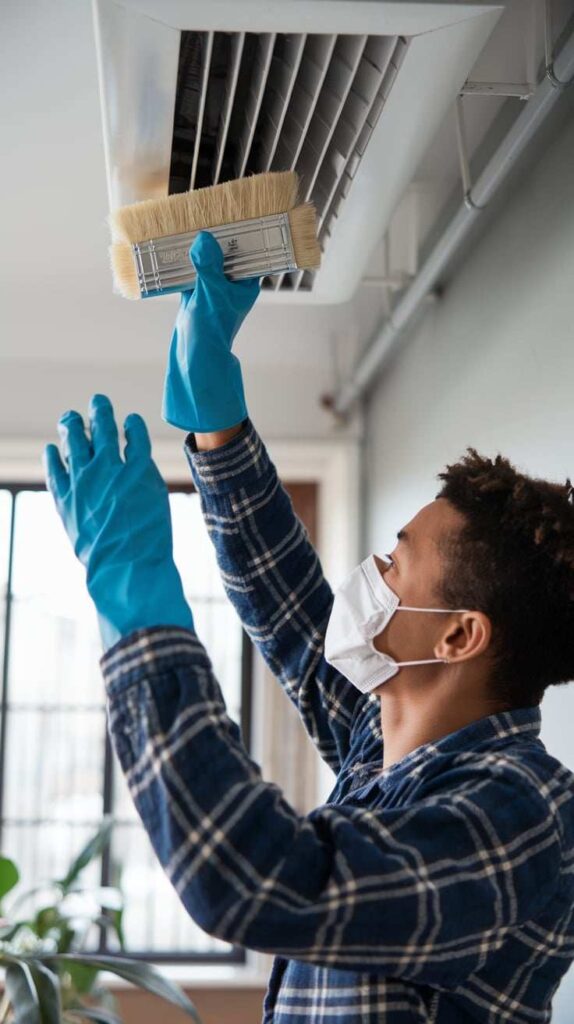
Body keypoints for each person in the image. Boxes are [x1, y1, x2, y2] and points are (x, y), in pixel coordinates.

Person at [44, 232, 574, 1023]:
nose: (372, 573)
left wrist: (137, 598)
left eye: (395, 564)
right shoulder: (390, 741)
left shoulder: (523, 820)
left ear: (459, 637)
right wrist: (218, 425)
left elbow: (255, 878)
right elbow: (290, 612)